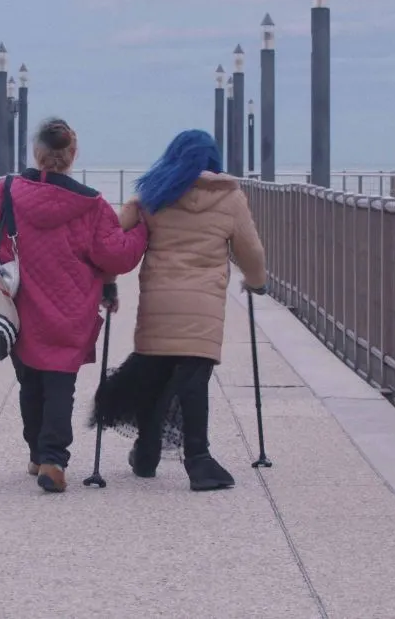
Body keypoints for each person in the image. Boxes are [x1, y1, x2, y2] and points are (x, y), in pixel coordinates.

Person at [0, 118, 147, 493]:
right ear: (72, 154)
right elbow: (115, 255)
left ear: (36, 152)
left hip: (17, 307)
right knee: (60, 382)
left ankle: (37, 451)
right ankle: (53, 459)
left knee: (29, 381)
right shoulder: (91, 204)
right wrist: (141, 228)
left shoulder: (5, 192)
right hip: (70, 309)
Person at [89, 129, 267, 491]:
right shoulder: (230, 198)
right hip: (203, 306)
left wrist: (107, 282)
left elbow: (115, 241)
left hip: (160, 302)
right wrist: (256, 282)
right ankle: (199, 459)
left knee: (154, 378)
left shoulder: (152, 195)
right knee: (194, 379)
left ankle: (146, 452)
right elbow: (250, 251)